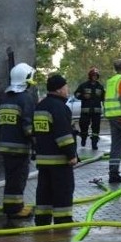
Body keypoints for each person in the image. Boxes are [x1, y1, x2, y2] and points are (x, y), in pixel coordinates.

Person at [33, 74, 78, 226]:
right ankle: (63, 221)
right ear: (59, 89)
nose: (67, 89)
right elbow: (63, 135)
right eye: (65, 87)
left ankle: (42, 220)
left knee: (44, 192)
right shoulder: (60, 107)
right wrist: (71, 155)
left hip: (43, 159)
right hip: (59, 160)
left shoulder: (40, 106)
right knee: (63, 192)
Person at [0, 62, 37, 219]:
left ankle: (12, 206)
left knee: (11, 178)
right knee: (18, 179)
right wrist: (35, 142)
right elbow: (28, 126)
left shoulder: (5, 97)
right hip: (19, 147)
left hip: (5, 146)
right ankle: (15, 210)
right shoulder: (25, 98)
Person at [73, 67, 104, 150]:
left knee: (96, 128)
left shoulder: (100, 87)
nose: (95, 77)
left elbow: (103, 98)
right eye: (93, 75)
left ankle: (94, 143)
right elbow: (76, 94)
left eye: (96, 75)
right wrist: (83, 96)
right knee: (83, 126)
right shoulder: (83, 85)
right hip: (85, 112)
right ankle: (83, 138)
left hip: (96, 112)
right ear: (90, 76)